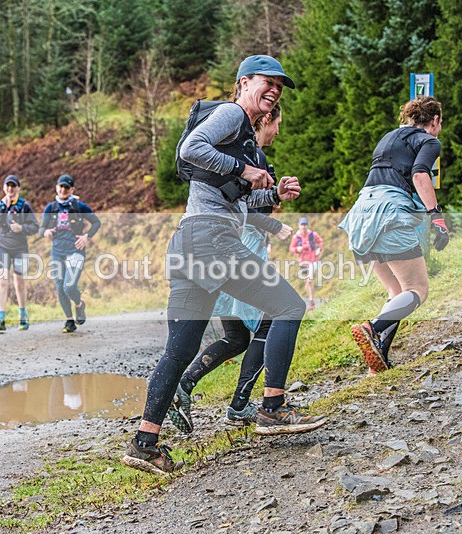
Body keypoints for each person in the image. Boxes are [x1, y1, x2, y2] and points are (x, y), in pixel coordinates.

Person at [121, 55, 326, 476]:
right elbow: (189, 148)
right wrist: (246, 168)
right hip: (212, 240)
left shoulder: (244, 137)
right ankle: (272, 408)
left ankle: (144, 443)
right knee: (288, 307)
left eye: (280, 86)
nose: (274, 90)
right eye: (267, 82)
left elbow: (236, 201)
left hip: (191, 242)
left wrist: (273, 194)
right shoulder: (231, 114)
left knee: (179, 351)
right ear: (244, 82)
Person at [166, 104, 297, 433]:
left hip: (218, 246)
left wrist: (275, 195)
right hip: (230, 247)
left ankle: (184, 385)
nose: (278, 131)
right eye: (277, 124)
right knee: (271, 320)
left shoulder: (244, 152)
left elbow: (238, 201)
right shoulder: (246, 153)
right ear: (265, 120)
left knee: (237, 335)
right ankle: (245, 404)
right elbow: (236, 207)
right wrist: (273, 223)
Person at [339, 95, 447, 374]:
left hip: (361, 215)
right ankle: (372, 329)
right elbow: (420, 174)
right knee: (417, 290)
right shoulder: (429, 140)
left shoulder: (389, 137)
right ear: (435, 120)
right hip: (390, 213)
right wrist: (437, 217)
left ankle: (379, 357)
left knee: (396, 291)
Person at [39, 174, 102, 333]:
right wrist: (45, 231)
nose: (63, 190)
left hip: (75, 251)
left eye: (67, 187)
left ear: (72, 189)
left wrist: (87, 236)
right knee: (60, 286)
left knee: (69, 285)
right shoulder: (51, 208)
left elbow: (96, 222)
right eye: (60, 186)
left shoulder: (79, 206)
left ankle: (79, 304)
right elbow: (41, 228)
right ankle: (69, 321)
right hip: (57, 252)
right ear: (56, 188)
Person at [0, 174, 39, 331]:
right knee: (2, 280)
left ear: (18, 188)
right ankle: (1, 319)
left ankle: (23, 315)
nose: (10, 188)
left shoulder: (24, 206)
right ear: (3, 188)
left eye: (13, 186)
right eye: (7, 186)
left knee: (19, 282)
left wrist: (22, 228)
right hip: (3, 247)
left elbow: (35, 227)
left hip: (20, 248)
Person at [289, 216, 324, 310]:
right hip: (302, 262)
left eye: (305, 224)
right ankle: (311, 300)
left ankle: (311, 301)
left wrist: (319, 249)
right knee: (307, 283)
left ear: (307, 225)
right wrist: (297, 249)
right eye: (302, 224)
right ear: (298, 226)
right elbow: (291, 249)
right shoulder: (296, 237)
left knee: (310, 280)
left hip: (313, 260)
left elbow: (320, 241)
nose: (303, 227)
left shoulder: (313, 234)